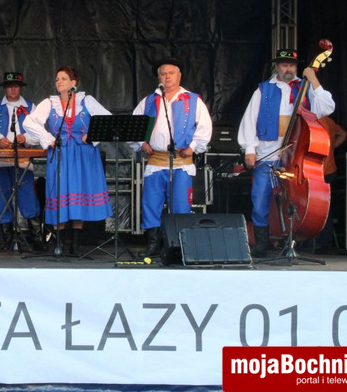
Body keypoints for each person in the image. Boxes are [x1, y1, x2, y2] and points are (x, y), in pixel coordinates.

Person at [238, 49, 335, 257]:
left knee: (293, 199)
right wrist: (249, 149)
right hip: (268, 153)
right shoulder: (263, 89)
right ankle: (262, 243)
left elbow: (327, 108)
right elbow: (250, 120)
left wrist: (314, 80)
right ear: (277, 67)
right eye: (284, 65)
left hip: (296, 156)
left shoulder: (305, 87)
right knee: (260, 197)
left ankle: (290, 240)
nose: (288, 69)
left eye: (292, 65)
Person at [23, 65, 113, 256]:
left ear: (74, 82)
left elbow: (108, 120)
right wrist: (48, 138)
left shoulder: (86, 101)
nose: (59, 82)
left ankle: (75, 244)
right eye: (57, 79)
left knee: (79, 196)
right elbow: (29, 122)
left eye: (63, 78)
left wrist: (92, 134)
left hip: (84, 155)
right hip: (61, 153)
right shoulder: (50, 103)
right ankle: (60, 243)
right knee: (60, 194)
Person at [129, 58, 213, 256]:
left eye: (171, 73)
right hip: (156, 161)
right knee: (151, 204)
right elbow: (134, 126)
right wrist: (142, 142)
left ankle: (178, 246)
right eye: (163, 74)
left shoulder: (192, 100)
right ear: (159, 77)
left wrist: (193, 147)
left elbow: (204, 127)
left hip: (180, 162)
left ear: (179, 76)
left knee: (181, 205)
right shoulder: (149, 101)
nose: (167, 77)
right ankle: (153, 245)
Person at [0, 72, 43, 251]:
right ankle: (7, 239)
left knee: (28, 195)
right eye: (9, 86)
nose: (13, 89)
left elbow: (39, 132)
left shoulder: (30, 107)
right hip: (0, 161)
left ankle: (37, 238)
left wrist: (26, 138)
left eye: (16, 86)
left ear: (20, 87)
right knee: (1, 197)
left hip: (22, 160)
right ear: (5, 88)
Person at [313, 115, 347, 254]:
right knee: (325, 208)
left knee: (317, 208)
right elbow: (343, 134)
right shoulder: (329, 121)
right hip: (329, 170)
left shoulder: (314, 120)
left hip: (316, 170)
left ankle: (319, 242)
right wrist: (331, 147)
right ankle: (324, 242)